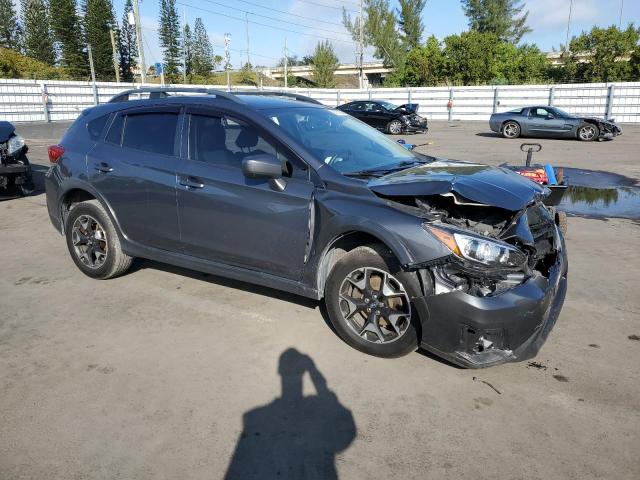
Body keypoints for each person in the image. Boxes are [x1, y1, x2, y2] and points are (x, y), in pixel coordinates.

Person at [224, 348, 356, 479]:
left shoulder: (253, 417)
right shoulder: (254, 416)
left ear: (280, 372)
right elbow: (344, 434)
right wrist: (313, 371)